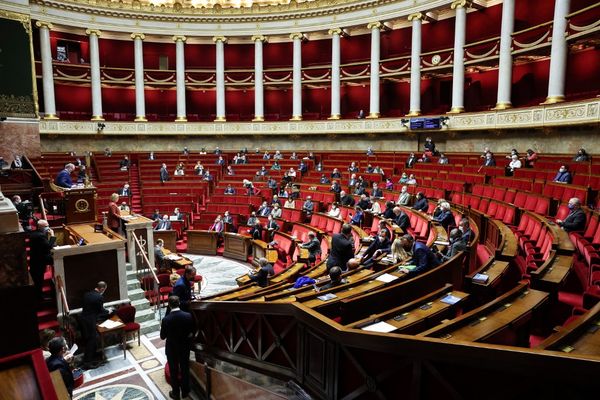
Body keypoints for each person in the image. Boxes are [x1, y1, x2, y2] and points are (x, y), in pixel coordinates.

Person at [160, 296, 195, 400]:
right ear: (179, 303)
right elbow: (192, 331)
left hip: (172, 349)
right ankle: (185, 391)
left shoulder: (166, 319)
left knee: (173, 370)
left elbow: (162, 336)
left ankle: (176, 393)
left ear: (169, 305)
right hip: (184, 347)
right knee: (184, 368)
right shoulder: (188, 316)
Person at [80, 281, 111, 368]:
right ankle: (88, 362)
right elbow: (101, 311)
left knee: (88, 340)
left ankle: (90, 357)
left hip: (83, 319)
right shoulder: (99, 297)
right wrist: (109, 311)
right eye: (104, 290)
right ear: (101, 288)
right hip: (90, 321)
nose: (104, 291)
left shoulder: (87, 294)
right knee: (91, 340)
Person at [29, 219, 56, 300]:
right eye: (46, 226)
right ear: (41, 227)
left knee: (38, 281)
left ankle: (39, 296)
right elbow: (49, 246)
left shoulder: (35, 233)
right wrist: (52, 235)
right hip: (38, 263)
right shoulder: (40, 236)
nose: (48, 228)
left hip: (36, 261)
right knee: (38, 281)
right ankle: (39, 298)